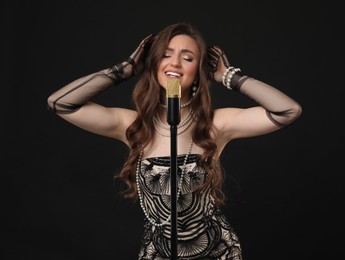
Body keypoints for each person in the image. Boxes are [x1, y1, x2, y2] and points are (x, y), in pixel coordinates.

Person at [47, 22, 302, 259]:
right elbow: (60, 103)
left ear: (200, 70)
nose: (176, 63)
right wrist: (122, 71)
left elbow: (288, 110)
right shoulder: (133, 126)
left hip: (217, 251)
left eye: (188, 58)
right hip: (157, 253)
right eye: (166, 54)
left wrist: (231, 77)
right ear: (154, 62)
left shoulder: (217, 124)